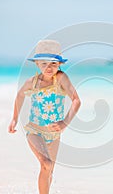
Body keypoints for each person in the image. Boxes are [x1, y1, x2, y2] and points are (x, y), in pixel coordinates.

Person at [8, 39, 81, 194]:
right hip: (35, 131)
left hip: (54, 135)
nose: (48, 68)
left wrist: (65, 123)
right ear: (37, 64)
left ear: (59, 64)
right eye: (44, 64)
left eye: (53, 64)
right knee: (45, 164)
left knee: (49, 172)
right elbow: (20, 96)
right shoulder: (32, 82)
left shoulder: (61, 79)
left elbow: (76, 100)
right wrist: (14, 118)